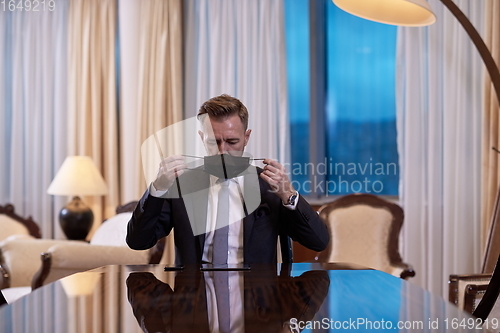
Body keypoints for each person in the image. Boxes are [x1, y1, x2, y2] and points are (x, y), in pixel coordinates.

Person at [126, 94, 329, 265]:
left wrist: (289, 196)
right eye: (214, 142)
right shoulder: (181, 184)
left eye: (232, 141)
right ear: (201, 138)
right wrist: (157, 189)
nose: (223, 151)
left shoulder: (269, 186)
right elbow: (138, 242)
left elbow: (318, 242)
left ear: (246, 137)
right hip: (193, 301)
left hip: (257, 301)